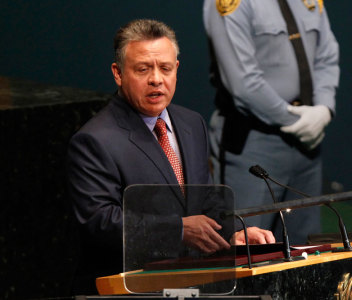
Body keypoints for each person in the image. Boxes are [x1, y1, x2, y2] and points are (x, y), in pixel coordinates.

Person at [67, 19, 274, 295]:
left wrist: (231, 235)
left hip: (194, 283)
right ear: (118, 73)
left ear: (176, 69)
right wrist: (177, 230)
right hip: (133, 288)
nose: (156, 79)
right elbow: (100, 223)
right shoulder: (94, 140)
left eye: (165, 68)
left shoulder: (192, 123)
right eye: (143, 69)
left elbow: (205, 200)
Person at [203, 0, 339, 243]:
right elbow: (244, 84)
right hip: (253, 145)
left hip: (306, 148)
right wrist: (298, 121)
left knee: (306, 248)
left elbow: (326, 56)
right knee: (250, 249)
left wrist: (323, 110)